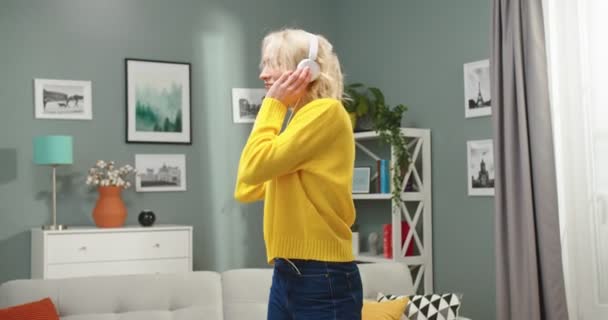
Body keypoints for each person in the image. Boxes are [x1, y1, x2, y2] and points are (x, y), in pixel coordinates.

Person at [234, 28, 362, 320]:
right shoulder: (297, 121)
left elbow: (252, 168)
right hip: (288, 271)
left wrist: (273, 105)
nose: (263, 74)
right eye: (263, 64)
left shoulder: (326, 113)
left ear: (307, 70)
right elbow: (245, 186)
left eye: (273, 63)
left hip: (321, 273)